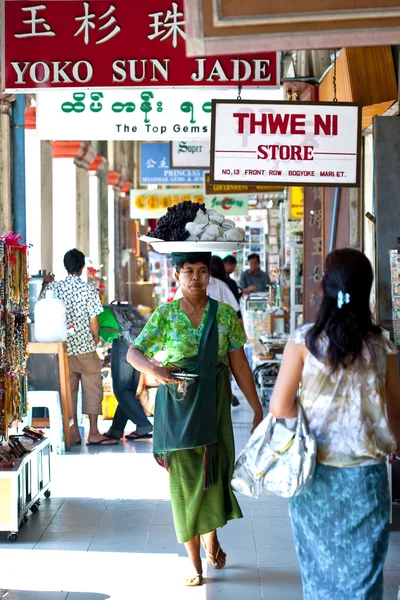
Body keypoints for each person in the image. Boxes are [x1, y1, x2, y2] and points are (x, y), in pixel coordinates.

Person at [269, 248, 400, 600]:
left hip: (314, 477)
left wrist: (314, 413)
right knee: (364, 580)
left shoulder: (303, 342)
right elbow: (396, 416)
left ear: (325, 286)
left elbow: (280, 406)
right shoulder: (382, 346)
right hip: (366, 481)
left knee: (319, 575)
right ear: (367, 289)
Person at [127, 252, 263, 586]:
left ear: (210, 277)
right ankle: (192, 560)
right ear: (176, 275)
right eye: (188, 271)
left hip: (214, 407)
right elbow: (134, 353)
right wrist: (156, 370)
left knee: (213, 475)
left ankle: (210, 536)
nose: (196, 278)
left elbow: (240, 366)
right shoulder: (166, 316)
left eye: (202, 271)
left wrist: (259, 410)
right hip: (178, 408)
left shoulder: (226, 316)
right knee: (185, 482)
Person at [40, 249, 117, 446]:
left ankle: (72, 433)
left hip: (63, 348)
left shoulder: (54, 288)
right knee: (92, 388)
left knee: (68, 391)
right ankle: (93, 432)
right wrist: (96, 339)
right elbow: (94, 320)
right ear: (82, 268)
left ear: (65, 267)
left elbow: (42, 310)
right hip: (85, 347)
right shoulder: (88, 289)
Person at [98, 304, 154, 441]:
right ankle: (116, 430)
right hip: (138, 345)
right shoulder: (108, 309)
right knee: (128, 391)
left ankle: (143, 425)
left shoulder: (94, 313)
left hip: (124, 344)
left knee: (121, 390)